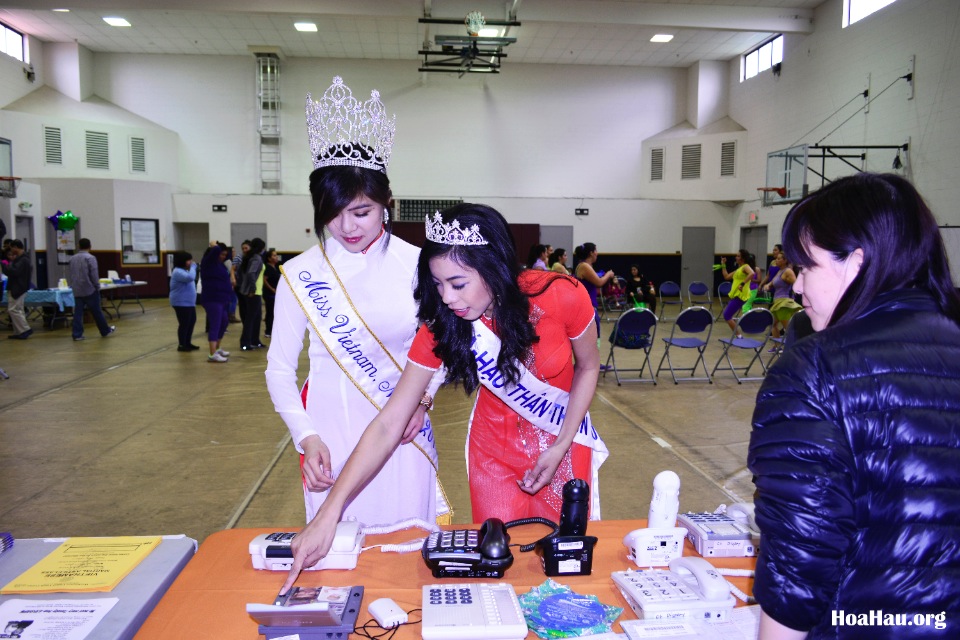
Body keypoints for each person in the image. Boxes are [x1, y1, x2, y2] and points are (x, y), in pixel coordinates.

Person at [280, 204, 608, 591]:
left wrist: (562, 443)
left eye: (458, 283)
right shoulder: (443, 326)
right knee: (496, 567)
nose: (448, 298)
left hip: (563, 441)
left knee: (567, 565)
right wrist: (327, 514)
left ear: (493, 268)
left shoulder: (561, 296)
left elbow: (588, 367)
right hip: (493, 453)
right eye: (437, 285)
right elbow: (389, 423)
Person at [748, 173, 960, 639]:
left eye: (806, 269)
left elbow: (798, 573)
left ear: (856, 264)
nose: (798, 288)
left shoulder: (814, 369)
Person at [266, 75, 449, 532]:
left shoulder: (420, 264)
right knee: (341, 551)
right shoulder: (301, 275)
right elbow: (279, 370)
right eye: (333, 213)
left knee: (407, 547)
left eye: (362, 212)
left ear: (388, 203)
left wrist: (423, 400)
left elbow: (444, 343)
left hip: (403, 427)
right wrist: (306, 437)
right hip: (331, 430)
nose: (347, 227)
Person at [68, 238, 115, 341]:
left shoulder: (72, 259)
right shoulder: (90, 258)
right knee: (97, 311)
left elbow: (71, 274)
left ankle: (77, 334)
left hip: (77, 289)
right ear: (90, 246)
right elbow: (93, 274)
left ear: (78, 246)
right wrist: (97, 286)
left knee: (78, 312)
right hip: (89, 289)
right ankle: (104, 330)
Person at [199, 242, 231, 363]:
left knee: (224, 322)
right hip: (212, 299)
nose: (223, 256)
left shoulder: (219, 264)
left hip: (221, 299)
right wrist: (215, 245)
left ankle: (217, 348)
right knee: (215, 325)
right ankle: (212, 354)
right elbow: (215, 251)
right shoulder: (207, 262)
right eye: (221, 254)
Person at [762, 252, 800, 340]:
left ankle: (792, 348)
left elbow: (797, 284)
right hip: (777, 302)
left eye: (779, 259)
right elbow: (773, 281)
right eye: (777, 258)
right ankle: (776, 347)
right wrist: (767, 285)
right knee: (773, 325)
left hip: (784, 304)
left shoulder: (788, 271)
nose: (776, 260)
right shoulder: (780, 271)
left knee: (788, 329)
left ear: (785, 260)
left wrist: (792, 289)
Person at [237, 237, 266, 350]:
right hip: (253, 292)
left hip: (257, 291)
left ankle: (255, 340)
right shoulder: (256, 258)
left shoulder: (251, 257)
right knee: (250, 318)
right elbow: (251, 273)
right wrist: (252, 289)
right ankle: (245, 343)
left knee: (256, 317)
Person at [719, 249, 755, 336]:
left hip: (740, 295)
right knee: (728, 315)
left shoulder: (745, 266)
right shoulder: (739, 269)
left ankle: (739, 336)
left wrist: (742, 283)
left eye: (738, 256)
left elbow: (752, 273)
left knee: (727, 315)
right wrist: (723, 264)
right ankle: (738, 335)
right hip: (736, 295)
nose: (736, 257)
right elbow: (726, 276)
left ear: (743, 258)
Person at [2, 239, 33, 339]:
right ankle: (18, 332)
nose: (11, 251)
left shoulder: (23, 260)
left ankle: (25, 329)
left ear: (16, 247)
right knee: (18, 310)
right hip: (19, 287)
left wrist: (4, 266)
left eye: (12, 248)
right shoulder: (22, 259)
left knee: (13, 310)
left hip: (18, 287)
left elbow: (14, 272)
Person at [169, 251, 199, 352]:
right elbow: (190, 278)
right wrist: (194, 267)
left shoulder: (184, 271)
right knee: (184, 323)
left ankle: (187, 342)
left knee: (191, 321)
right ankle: (182, 345)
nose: (190, 262)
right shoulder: (178, 272)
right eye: (188, 260)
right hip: (181, 302)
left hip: (189, 303)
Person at [573, 243, 615, 309]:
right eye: (596, 250)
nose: (597, 253)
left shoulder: (586, 265)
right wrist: (608, 274)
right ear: (591, 253)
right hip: (586, 304)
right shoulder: (584, 266)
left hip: (589, 302)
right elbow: (599, 283)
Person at [262, 249, 281, 338]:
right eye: (273, 255)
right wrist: (272, 289)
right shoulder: (268, 268)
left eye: (276, 255)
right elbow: (264, 280)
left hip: (275, 293)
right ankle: (268, 331)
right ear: (269, 258)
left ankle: (273, 329)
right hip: (269, 294)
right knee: (270, 312)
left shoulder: (275, 267)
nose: (276, 257)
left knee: (274, 312)